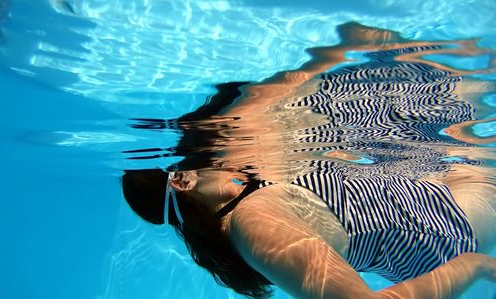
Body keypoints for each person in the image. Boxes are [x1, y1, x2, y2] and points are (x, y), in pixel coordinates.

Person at [122, 22, 495, 298]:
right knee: (469, 81)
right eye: (196, 162)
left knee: (459, 78)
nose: (217, 161)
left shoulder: (245, 210)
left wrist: (333, 53)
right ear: (182, 180)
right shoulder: (254, 224)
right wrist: (470, 267)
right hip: (452, 226)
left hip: (432, 196)